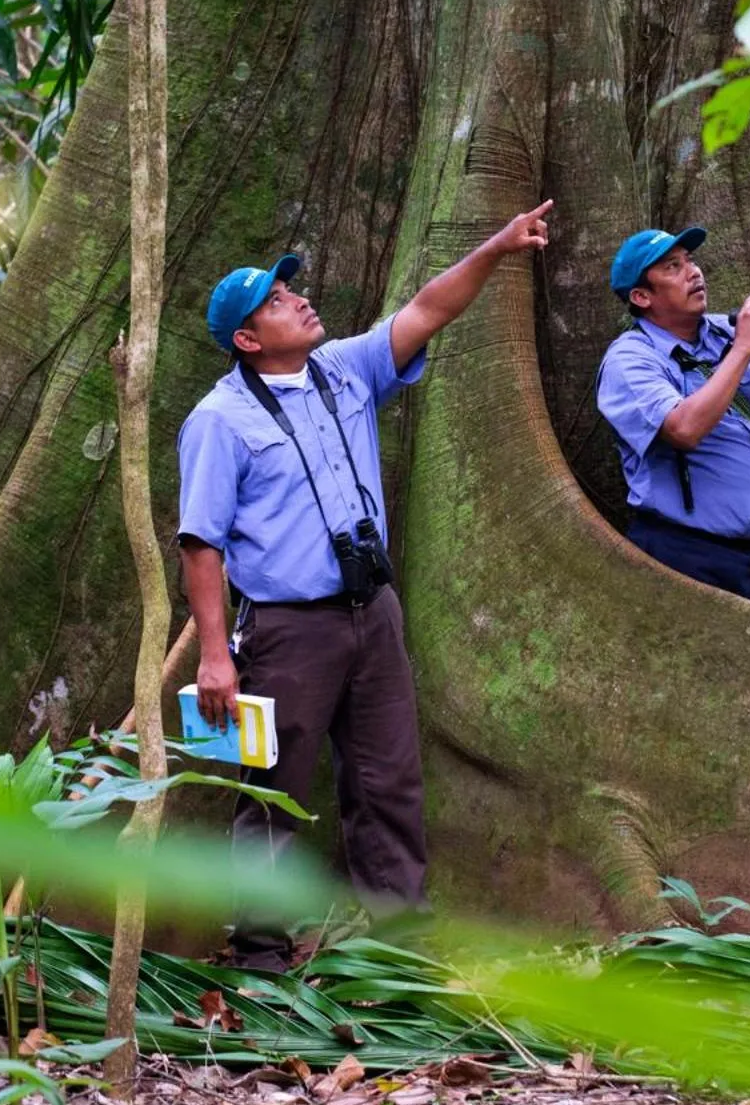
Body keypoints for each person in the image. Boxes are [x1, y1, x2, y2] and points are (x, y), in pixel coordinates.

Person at [176, 200, 554, 971]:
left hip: (372, 612)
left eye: (291, 290)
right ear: (249, 340)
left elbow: (426, 308)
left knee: (388, 780)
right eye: (277, 302)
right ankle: (260, 954)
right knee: (273, 792)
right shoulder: (218, 420)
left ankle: (402, 946)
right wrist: (216, 655)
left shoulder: (343, 371)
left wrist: (498, 246)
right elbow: (200, 543)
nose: (298, 300)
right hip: (287, 630)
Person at [595, 227, 750, 612]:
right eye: (673, 267)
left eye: (690, 260)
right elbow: (683, 429)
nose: (693, 272)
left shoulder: (726, 332)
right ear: (642, 297)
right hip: (682, 557)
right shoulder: (630, 360)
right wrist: (744, 346)